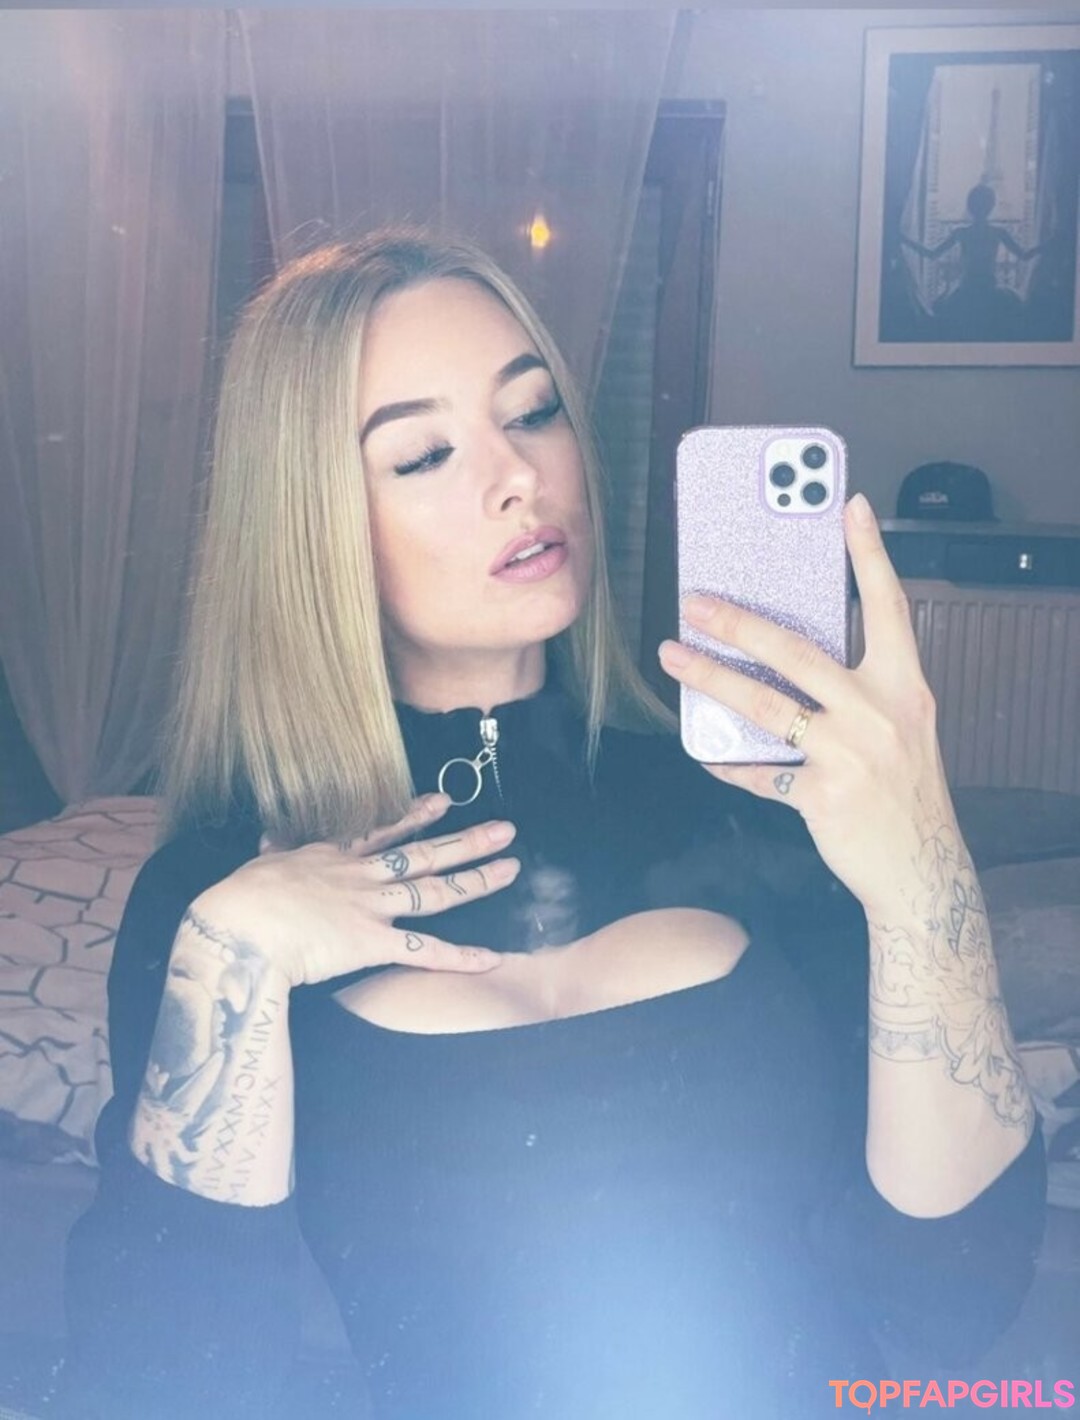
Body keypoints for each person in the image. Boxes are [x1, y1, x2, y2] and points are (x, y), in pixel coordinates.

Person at [60, 229, 1045, 1420]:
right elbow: (169, 1383)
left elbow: (952, 1301)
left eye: (533, 412)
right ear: (307, 525)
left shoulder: (756, 803)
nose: (519, 476)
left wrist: (924, 867)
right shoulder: (223, 893)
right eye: (423, 454)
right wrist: (233, 963)